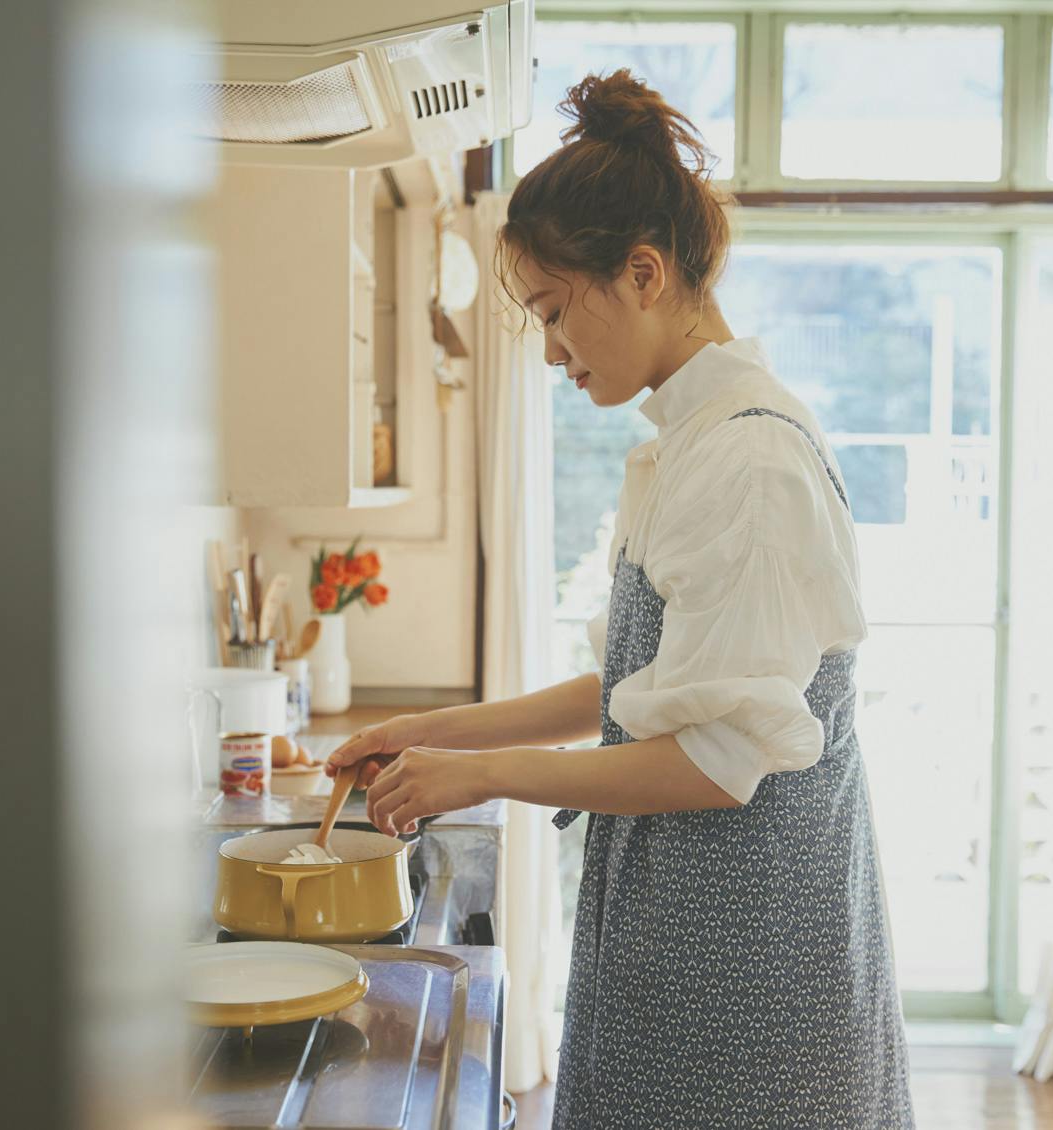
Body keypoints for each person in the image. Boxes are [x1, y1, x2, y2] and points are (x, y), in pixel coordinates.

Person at [327, 68, 915, 1129]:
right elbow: (629, 689)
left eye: (554, 312)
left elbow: (710, 761)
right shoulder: (689, 447)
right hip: (681, 941)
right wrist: (425, 729)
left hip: (749, 977)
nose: (551, 351)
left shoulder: (747, 466)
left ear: (642, 273)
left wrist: (478, 773)